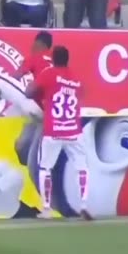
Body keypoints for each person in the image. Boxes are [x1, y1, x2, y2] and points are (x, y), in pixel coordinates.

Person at [24, 46, 91, 220]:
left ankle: (46, 209)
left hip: (54, 130)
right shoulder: (77, 79)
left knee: (45, 168)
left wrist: (38, 90)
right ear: (68, 60)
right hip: (74, 131)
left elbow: (29, 93)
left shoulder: (49, 74)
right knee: (82, 167)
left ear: (53, 59)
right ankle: (84, 205)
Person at [0, 30, 53, 131]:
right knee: (11, 112)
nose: (32, 48)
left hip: (35, 106)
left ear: (40, 44)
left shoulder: (37, 57)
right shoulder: (55, 61)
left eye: (34, 45)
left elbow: (16, 77)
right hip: (46, 115)